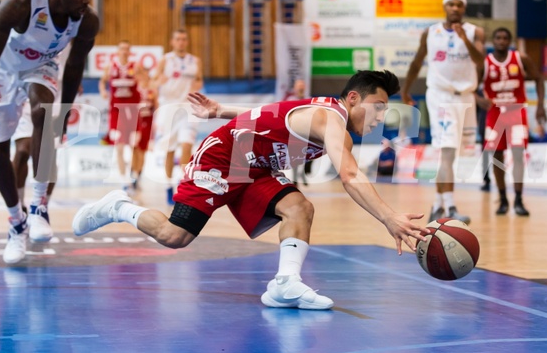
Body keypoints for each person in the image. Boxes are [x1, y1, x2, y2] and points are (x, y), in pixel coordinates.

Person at [72, 70, 429, 310]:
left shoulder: (327, 118)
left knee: (300, 208)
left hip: (255, 168)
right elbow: (350, 177)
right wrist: (390, 218)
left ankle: (285, 284)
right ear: (353, 98)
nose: (381, 117)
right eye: (378, 107)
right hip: (222, 158)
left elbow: (269, 111)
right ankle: (118, 206)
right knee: (174, 236)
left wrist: (221, 109)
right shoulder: (328, 119)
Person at [0, 0, 98, 264]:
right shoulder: (19, 3)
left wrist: (64, 116)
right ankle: (17, 223)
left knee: (43, 111)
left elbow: (76, 66)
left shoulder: (87, 20)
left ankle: (39, 205)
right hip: (1, 66)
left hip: (40, 65)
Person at [0, 0, 58, 211]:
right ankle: (20, 206)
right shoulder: (17, 5)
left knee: (41, 149)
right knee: (21, 150)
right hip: (10, 83)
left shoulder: (65, 15)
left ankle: (40, 206)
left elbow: (64, 60)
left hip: (42, 84)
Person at [401, 0, 486, 224]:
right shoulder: (431, 32)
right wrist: (406, 89)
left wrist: (464, 39)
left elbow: (480, 61)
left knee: (454, 154)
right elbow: (417, 61)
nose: (455, 7)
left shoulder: (474, 31)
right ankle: (450, 207)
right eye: (451, 4)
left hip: (465, 97)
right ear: (445, 7)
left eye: (459, 4)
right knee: (448, 151)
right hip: (441, 96)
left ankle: (437, 206)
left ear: (464, 8)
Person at [478, 27, 546, 216]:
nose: (501, 41)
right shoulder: (484, 63)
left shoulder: (520, 58)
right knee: (496, 155)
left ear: (510, 41)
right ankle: (502, 198)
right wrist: (479, 99)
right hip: (494, 114)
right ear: (493, 40)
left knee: (518, 155)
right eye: (498, 37)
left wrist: (540, 105)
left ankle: (518, 199)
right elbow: (469, 87)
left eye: (505, 38)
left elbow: (539, 78)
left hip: (516, 112)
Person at [152, 29, 203, 205]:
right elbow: (153, 82)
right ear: (172, 42)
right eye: (178, 39)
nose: (181, 42)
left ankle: (183, 185)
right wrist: (159, 82)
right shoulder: (165, 60)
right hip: (168, 108)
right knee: (170, 149)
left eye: (183, 39)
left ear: (186, 42)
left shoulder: (195, 61)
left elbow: (199, 80)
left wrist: (196, 86)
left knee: (187, 144)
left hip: (187, 108)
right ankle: (168, 185)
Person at [99, 40, 148, 190]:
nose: (124, 51)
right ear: (117, 51)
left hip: (132, 111)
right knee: (119, 146)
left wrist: (144, 88)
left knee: (134, 145)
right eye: (122, 49)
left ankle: (134, 175)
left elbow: (146, 81)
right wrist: (103, 91)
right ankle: (123, 180)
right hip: (117, 111)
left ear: (130, 51)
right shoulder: (110, 67)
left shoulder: (136, 67)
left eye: (127, 49)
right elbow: (102, 81)